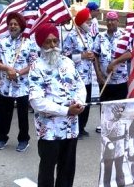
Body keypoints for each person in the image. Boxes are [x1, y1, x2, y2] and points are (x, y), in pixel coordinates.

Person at [29, 23, 86, 187]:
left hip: (71, 128)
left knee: (67, 170)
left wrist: (80, 103)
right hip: (49, 131)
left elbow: (79, 85)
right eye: (48, 42)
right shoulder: (36, 67)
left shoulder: (68, 62)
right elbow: (36, 101)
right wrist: (65, 110)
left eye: (55, 41)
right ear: (41, 44)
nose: (53, 46)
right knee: (47, 171)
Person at [0, 12, 38, 152]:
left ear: (21, 26)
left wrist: (18, 73)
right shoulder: (2, 42)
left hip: (22, 86)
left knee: (23, 115)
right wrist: (7, 68)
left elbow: (33, 65)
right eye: (11, 24)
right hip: (5, 86)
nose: (13, 26)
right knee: (4, 114)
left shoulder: (29, 44)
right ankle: (2, 138)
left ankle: (24, 140)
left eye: (15, 24)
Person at [63, 8, 96, 138]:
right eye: (88, 20)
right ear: (81, 21)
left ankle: (82, 127)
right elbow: (64, 56)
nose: (90, 22)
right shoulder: (72, 36)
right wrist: (81, 56)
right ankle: (75, 128)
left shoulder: (89, 35)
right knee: (77, 102)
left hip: (88, 75)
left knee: (86, 103)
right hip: (76, 76)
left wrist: (92, 56)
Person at [94, 11, 129, 102]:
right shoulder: (100, 37)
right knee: (104, 110)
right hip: (104, 80)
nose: (110, 23)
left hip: (120, 80)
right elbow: (95, 56)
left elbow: (130, 53)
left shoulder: (124, 36)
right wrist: (98, 75)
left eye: (113, 20)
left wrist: (115, 62)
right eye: (108, 20)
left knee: (118, 110)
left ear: (117, 21)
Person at [101, 104, 129, 187]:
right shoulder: (107, 122)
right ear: (113, 112)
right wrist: (108, 142)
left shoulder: (124, 123)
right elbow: (103, 135)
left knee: (120, 170)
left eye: (121, 111)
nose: (119, 113)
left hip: (120, 150)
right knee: (108, 171)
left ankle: (121, 185)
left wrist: (126, 148)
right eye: (118, 111)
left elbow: (126, 136)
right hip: (109, 150)